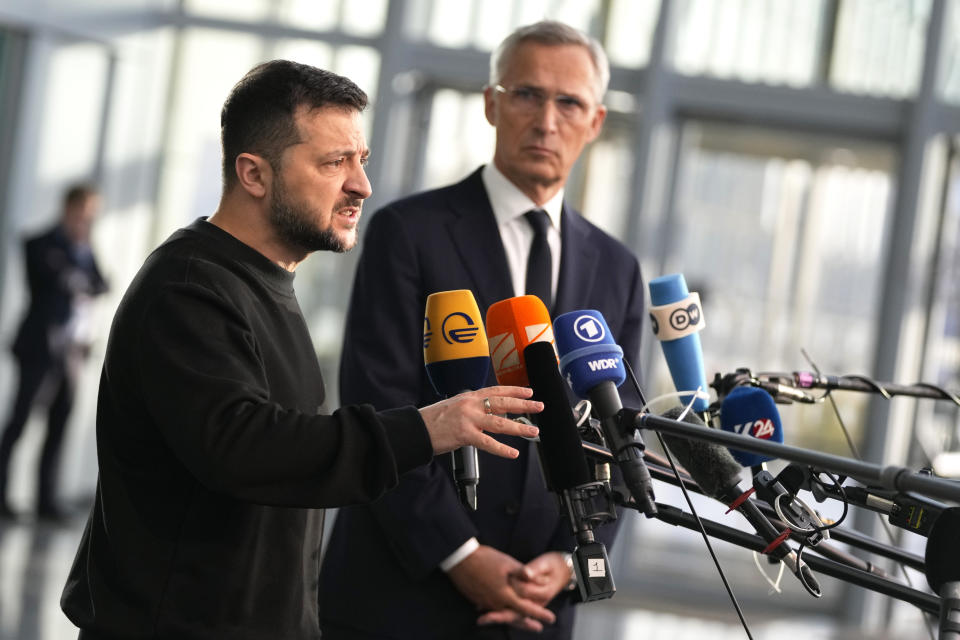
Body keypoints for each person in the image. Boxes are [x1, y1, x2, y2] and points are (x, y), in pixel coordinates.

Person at [59, 60, 544, 640]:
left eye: (360, 161)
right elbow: (244, 447)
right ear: (254, 175)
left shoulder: (263, 280)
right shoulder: (187, 288)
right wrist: (424, 429)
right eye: (334, 162)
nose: (361, 185)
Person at [319, 20, 645, 640]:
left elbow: (617, 427)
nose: (547, 120)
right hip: (401, 596)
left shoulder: (618, 268)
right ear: (492, 104)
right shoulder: (407, 233)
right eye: (527, 94)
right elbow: (377, 406)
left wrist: (572, 557)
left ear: (595, 122)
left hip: (539, 608)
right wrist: (461, 555)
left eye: (569, 102)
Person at [0, 184, 108, 521]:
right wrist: (78, 278)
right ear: (69, 208)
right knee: (19, 423)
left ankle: (46, 500)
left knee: (59, 426)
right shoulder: (40, 243)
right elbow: (61, 281)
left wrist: (79, 273)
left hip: (72, 353)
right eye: (84, 212)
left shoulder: (84, 249)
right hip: (40, 348)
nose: (87, 220)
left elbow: (101, 283)